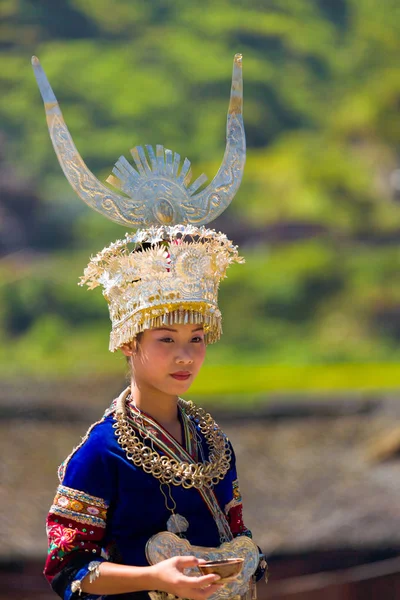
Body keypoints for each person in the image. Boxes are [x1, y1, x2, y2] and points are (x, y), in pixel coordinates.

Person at [32, 53, 267, 600]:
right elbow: (69, 572)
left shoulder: (215, 445)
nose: (184, 357)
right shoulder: (101, 454)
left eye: (196, 341)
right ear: (128, 343)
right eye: (166, 341)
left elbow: (234, 534)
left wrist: (243, 560)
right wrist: (154, 579)